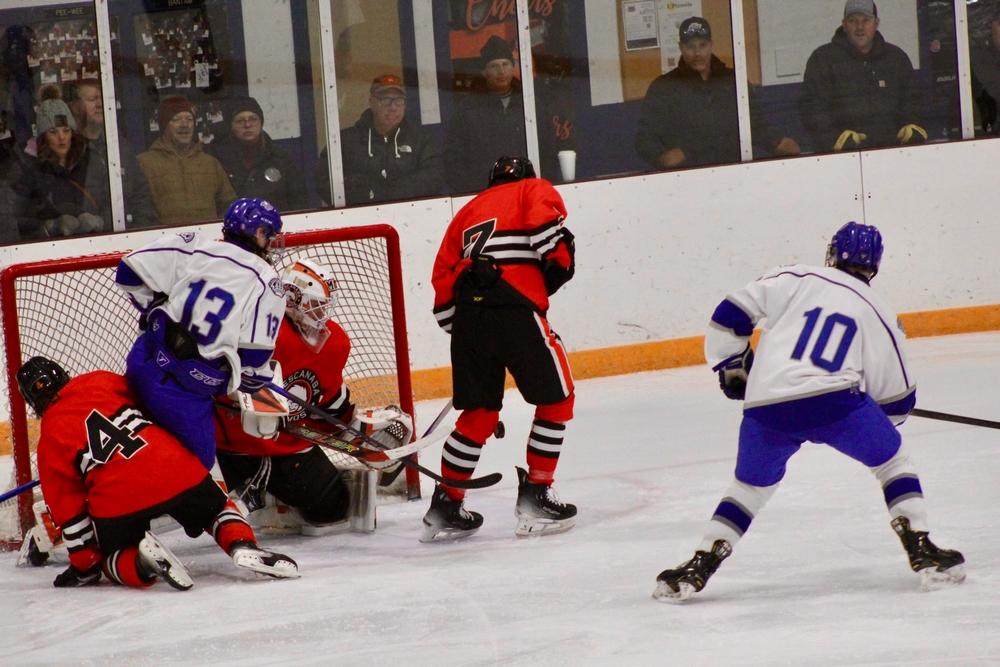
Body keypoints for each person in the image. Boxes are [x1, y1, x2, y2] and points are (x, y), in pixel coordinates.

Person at [652, 221, 966, 603]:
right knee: (893, 461)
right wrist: (870, 417)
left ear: (832, 253)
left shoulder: (795, 276)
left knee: (748, 488)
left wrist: (733, 365)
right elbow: (897, 404)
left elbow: (729, 315)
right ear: (876, 265)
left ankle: (700, 562)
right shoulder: (880, 313)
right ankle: (920, 546)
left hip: (766, 407)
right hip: (836, 404)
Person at [15, 356, 298, 590]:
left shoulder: (48, 441)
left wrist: (85, 566)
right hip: (173, 466)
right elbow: (152, 401)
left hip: (118, 499)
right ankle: (241, 544)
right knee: (216, 509)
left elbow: (70, 513)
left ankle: (142, 562)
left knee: (111, 558)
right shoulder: (99, 380)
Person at [426, 156, 577, 542]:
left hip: (468, 318)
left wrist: (462, 330)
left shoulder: (466, 212)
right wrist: (559, 257)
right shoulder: (532, 188)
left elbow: (442, 279)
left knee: (479, 414)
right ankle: (537, 494)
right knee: (558, 400)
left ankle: (445, 505)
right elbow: (546, 235)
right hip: (514, 307)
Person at [114, 198, 287, 472]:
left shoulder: (192, 244)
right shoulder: (267, 282)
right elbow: (253, 362)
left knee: (129, 445)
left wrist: (154, 306)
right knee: (195, 474)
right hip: (185, 398)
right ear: (259, 233)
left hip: (141, 364)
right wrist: (248, 384)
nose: (271, 243)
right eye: (270, 236)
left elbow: (127, 272)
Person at [213, 258, 378, 533]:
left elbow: (326, 399)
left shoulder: (333, 341)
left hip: (284, 450)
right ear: (291, 299)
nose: (322, 312)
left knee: (334, 506)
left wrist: (355, 427)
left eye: (325, 305)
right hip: (232, 449)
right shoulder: (259, 331)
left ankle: (266, 493)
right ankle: (254, 484)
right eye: (316, 304)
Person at [635, 17, 800, 170]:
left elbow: (755, 125)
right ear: (680, 47)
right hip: (686, 179)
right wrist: (662, 157)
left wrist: (777, 142)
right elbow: (644, 137)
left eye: (702, 45)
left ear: (711, 44)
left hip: (734, 174)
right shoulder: (664, 88)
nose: (697, 53)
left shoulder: (733, 81)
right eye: (690, 46)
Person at [799, 0, 925, 152]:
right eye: (853, 20)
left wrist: (912, 124)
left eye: (866, 20)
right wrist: (833, 138)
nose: (860, 27)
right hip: (839, 155)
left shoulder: (896, 58)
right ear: (844, 24)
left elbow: (912, 100)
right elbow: (812, 108)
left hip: (891, 152)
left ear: (876, 23)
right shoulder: (822, 59)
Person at [0, 84, 109, 241]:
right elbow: (6, 218)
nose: (62, 137)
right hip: (44, 250)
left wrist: (101, 221)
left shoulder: (92, 161)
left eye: (66, 130)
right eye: (53, 132)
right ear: (43, 137)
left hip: (94, 246)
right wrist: (47, 227)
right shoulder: (25, 167)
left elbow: (116, 203)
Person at [315, 75, 443, 206]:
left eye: (399, 100)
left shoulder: (420, 139)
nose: (393, 107)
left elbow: (434, 176)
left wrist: (393, 193)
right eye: (385, 100)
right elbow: (324, 181)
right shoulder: (346, 140)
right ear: (371, 103)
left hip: (411, 214)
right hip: (361, 216)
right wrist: (366, 194)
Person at [443, 36, 528, 194]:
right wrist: (473, 190)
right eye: (494, 65)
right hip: (484, 196)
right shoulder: (467, 110)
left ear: (513, 67)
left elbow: (546, 149)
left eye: (505, 64)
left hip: (525, 192)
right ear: (484, 72)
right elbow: (453, 158)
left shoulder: (530, 103)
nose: (501, 71)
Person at [68, 78, 155, 228]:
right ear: (75, 107)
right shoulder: (67, 149)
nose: (100, 104)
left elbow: (141, 192)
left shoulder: (119, 146)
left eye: (103, 99)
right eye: (92, 99)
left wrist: (139, 229)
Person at [137, 94, 237, 225]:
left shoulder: (210, 163)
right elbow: (139, 210)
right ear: (164, 125)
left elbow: (229, 204)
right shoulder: (144, 163)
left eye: (189, 119)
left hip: (206, 237)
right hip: (165, 237)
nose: (184, 124)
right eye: (176, 119)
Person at [207, 96, 311, 213]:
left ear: (261, 122)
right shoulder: (216, 159)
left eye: (253, 119)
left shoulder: (280, 157)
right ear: (230, 126)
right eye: (240, 121)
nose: (248, 125)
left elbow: (300, 199)